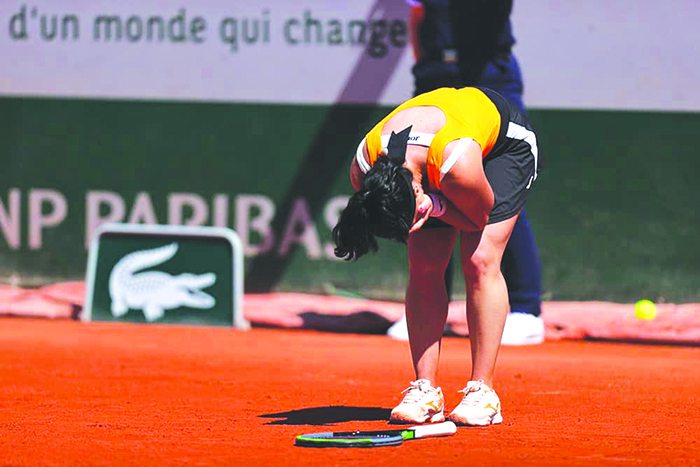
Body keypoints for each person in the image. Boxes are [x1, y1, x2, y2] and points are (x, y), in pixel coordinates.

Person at [332, 85, 540, 425]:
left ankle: (483, 392)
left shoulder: (457, 165)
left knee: (479, 260)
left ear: (418, 189)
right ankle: (425, 391)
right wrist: (426, 206)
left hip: (504, 146)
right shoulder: (364, 168)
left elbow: (478, 217)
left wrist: (438, 205)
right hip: (431, 163)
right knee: (424, 265)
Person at [387, 0, 545, 346]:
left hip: (490, 75)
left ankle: (525, 310)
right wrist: (428, 66)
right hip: (434, 74)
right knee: (425, 183)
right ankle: (430, 307)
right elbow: (418, 14)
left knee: (499, 191)